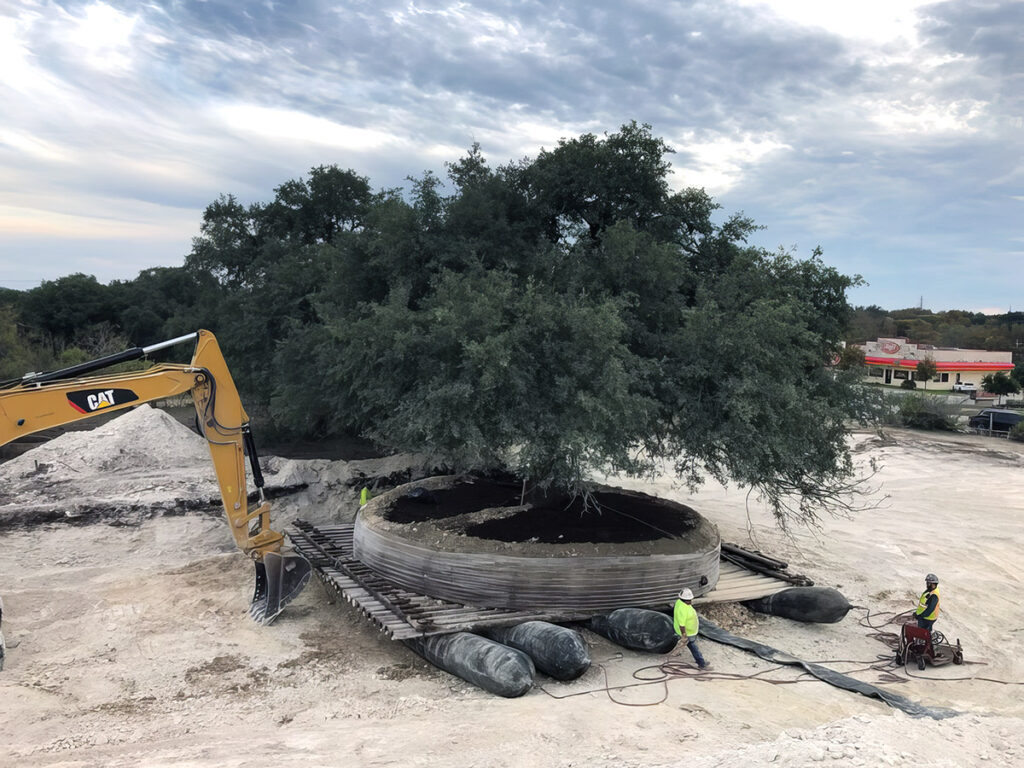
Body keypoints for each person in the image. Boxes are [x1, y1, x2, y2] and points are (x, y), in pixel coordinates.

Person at [673, 588, 708, 669]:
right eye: (689, 600)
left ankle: (698, 660)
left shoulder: (679, 602)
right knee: (693, 646)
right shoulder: (683, 609)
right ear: (684, 600)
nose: (691, 601)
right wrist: (684, 635)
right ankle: (701, 663)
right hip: (688, 632)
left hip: (688, 630)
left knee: (691, 645)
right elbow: (682, 625)